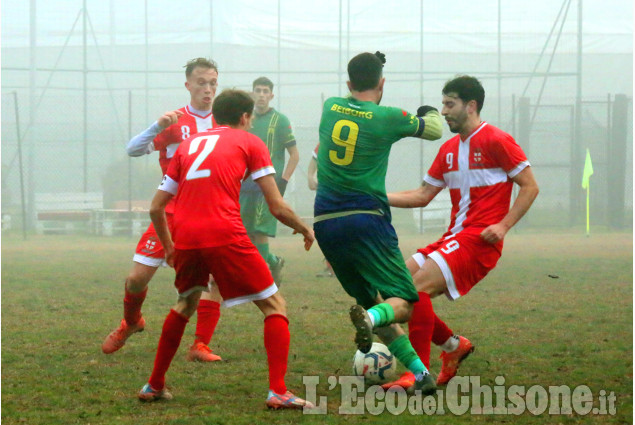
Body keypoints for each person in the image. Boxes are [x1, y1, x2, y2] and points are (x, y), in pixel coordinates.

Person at [137, 89, 315, 410]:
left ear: (216, 116)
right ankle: (277, 390)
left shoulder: (189, 145)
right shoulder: (250, 142)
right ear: (245, 118)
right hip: (225, 232)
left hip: (186, 236)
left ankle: (154, 384)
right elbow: (275, 204)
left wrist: (169, 247)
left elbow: (156, 208)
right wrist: (304, 227)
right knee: (275, 305)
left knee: (184, 304)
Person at [383, 75, 539, 389]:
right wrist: (375, 196)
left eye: (449, 104)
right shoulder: (449, 149)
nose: (443, 111)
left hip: (480, 241)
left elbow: (530, 187)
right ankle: (454, 347)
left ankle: (418, 374)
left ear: (471, 106)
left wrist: (503, 225)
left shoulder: (497, 140)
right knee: (394, 287)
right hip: (454, 237)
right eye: (443, 103)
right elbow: (423, 195)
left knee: (416, 288)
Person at [313, 51, 443, 395]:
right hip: (365, 219)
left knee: (374, 301)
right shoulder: (386, 116)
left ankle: (420, 373)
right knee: (402, 303)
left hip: (325, 222)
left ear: (348, 83)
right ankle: (368, 321)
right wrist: (426, 110)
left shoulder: (330, 108)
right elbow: (434, 129)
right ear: (382, 83)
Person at [102, 58, 224, 363]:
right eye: (201, 82)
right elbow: (132, 149)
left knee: (213, 280)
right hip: (169, 214)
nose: (207, 89)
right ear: (188, 85)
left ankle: (201, 345)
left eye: (212, 83)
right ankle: (132, 322)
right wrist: (157, 126)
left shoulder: (224, 123)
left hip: (207, 214)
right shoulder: (175, 122)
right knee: (137, 279)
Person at [239, 77, 299, 284]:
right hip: (245, 185)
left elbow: (294, 155)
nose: (262, 95)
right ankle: (273, 261)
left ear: (271, 96)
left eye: (266, 91)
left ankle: (258, 280)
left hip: (267, 186)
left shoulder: (280, 120)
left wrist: (283, 180)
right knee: (246, 233)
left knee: (260, 230)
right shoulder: (246, 119)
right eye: (258, 90)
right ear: (253, 93)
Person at [307, 143, 334, 278]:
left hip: (347, 190)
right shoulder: (327, 137)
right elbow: (315, 157)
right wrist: (310, 176)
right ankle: (332, 266)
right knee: (326, 228)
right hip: (326, 190)